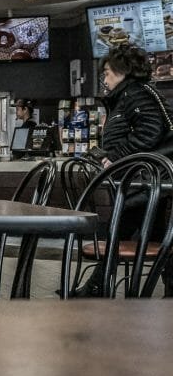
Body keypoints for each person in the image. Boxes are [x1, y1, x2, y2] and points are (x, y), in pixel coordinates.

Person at [71, 43, 173, 297]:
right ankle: (98, 287)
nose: (104, 78)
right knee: (153, 234)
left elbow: (150, 131)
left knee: (121, 228)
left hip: (145, 180)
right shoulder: (134, 94)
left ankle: (95, 287)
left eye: (106, 72)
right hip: (146, 181)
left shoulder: (137, 94)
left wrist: (115, 158)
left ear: (122, 70)